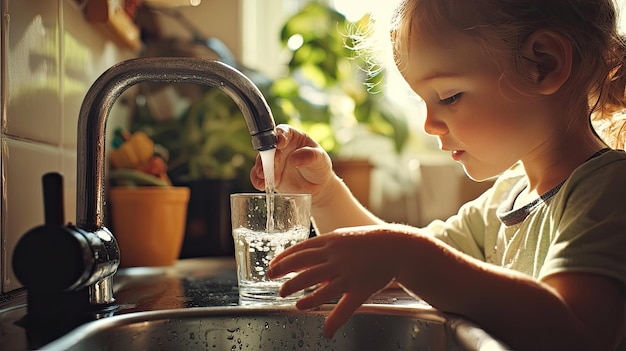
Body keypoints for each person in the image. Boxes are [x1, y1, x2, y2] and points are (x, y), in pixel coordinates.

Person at [250, 1, 626, 350]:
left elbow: (576, 334)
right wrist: (325, 194)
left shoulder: (610, 189)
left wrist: (407, 255)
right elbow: (390, 267)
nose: (429, 125)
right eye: (422, 101)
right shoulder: (508, 198)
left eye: (448, 96)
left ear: (543, 64)